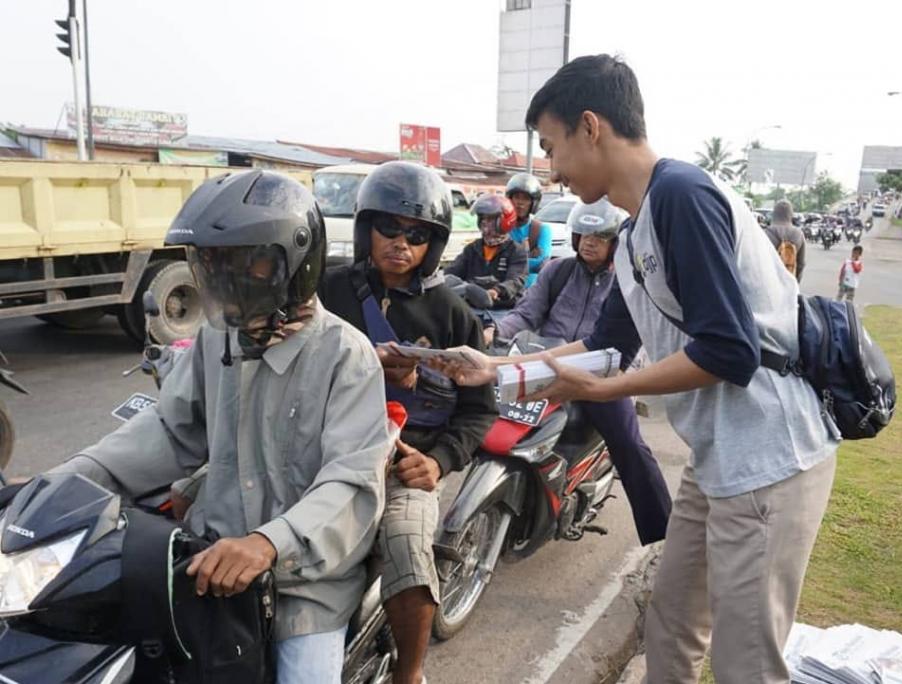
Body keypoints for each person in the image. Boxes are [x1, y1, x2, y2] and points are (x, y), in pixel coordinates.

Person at [413, 55, 839, 684]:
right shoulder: (637, 232)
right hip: (718, 459)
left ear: (591, 127)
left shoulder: (682, 196)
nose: (551, 168)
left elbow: (730, 350)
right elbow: (604, 341)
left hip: (770, 461)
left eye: (551, 146)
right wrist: (496, 368)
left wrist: (607, 387)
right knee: (671, 624)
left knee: (746, 662)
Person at [50, 170, 393, 683]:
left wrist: (267, 543)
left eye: (240, 261)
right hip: (208, 557)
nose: (220, 278)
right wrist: (62, 483)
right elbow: (169, 430)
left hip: (303, 583)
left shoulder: (346, 355)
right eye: (210, 262)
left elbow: (350, 481)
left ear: (292, 261)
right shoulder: (219, 338)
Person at [319, 161, 497, 684]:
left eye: (417, 235)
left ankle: (410, 673)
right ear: (366, 229)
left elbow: (479, 409)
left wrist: (437, 462)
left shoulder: (453, 314)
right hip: (322, 448)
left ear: (433, 244)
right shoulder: (326, 292)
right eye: (389, 227)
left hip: (402, 465)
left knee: (408, 550)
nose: (401, 243)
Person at [484, 197, 671, 545]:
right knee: (483, 415)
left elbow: (632, 341)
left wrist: (621, 378)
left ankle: (663, 532)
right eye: (584, 234)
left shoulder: (626, 282)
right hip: (547, 365)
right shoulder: (558, 271)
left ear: (614, 243)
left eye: (600, 237)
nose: (589, 242)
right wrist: (494, 332)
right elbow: (526, 314)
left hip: (599, 375)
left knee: (628, 444)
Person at [445, 193, 528, 308]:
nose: (485, 222)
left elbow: (515, 280)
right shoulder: (472, 248)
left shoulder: (516, 251)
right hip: (472, 307)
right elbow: (452, 271)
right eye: (483, 218)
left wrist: (496, 291)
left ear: (504, 221)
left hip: (504, 309)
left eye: (490, 219)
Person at [505, 172, 553, 286]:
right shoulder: (501, 228)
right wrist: (526, 256)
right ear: (510, 199)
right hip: (501, 289)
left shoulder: (541, 230)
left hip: (530, 290)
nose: (520, 203)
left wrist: (509, 259)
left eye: (526, 198)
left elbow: (541, 263)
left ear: (533, 203)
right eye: (517, 197)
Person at [763, 199, 806, 281]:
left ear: (774, 213)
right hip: (790, 280)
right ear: (791, 214)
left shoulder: (765, 233)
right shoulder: (799, 234)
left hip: (769, 281)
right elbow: (801, 263)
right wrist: (795, 282)